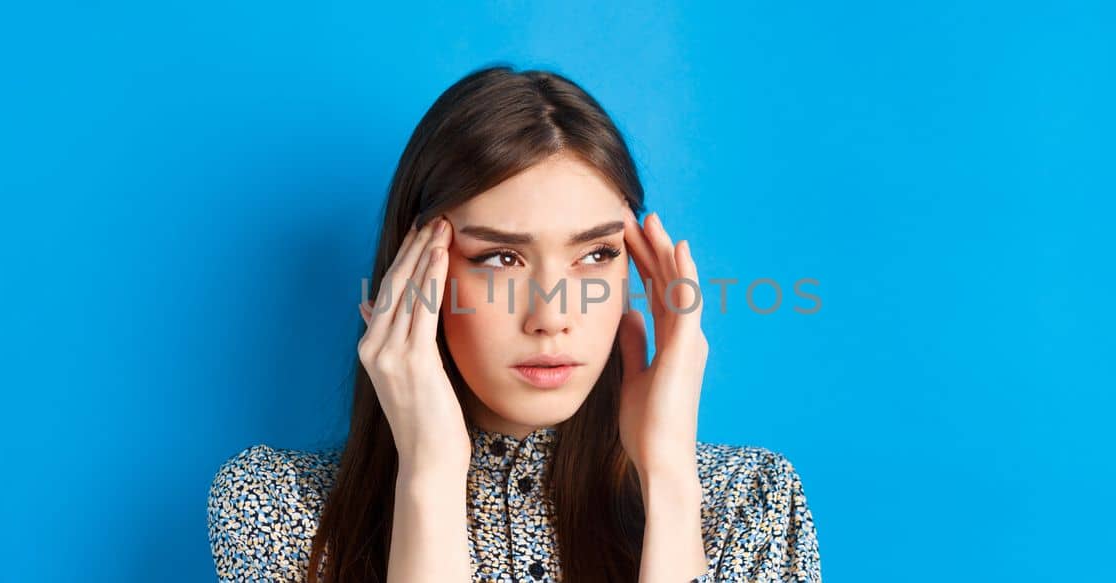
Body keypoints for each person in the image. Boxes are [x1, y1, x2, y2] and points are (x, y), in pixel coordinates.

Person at [207, 65, 821, 583]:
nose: (552, 316)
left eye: (596, 255)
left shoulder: (748, 501)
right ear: (415, 275)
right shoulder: (280, 507)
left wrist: (669, 485)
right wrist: (430, 473)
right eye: (500, 258)